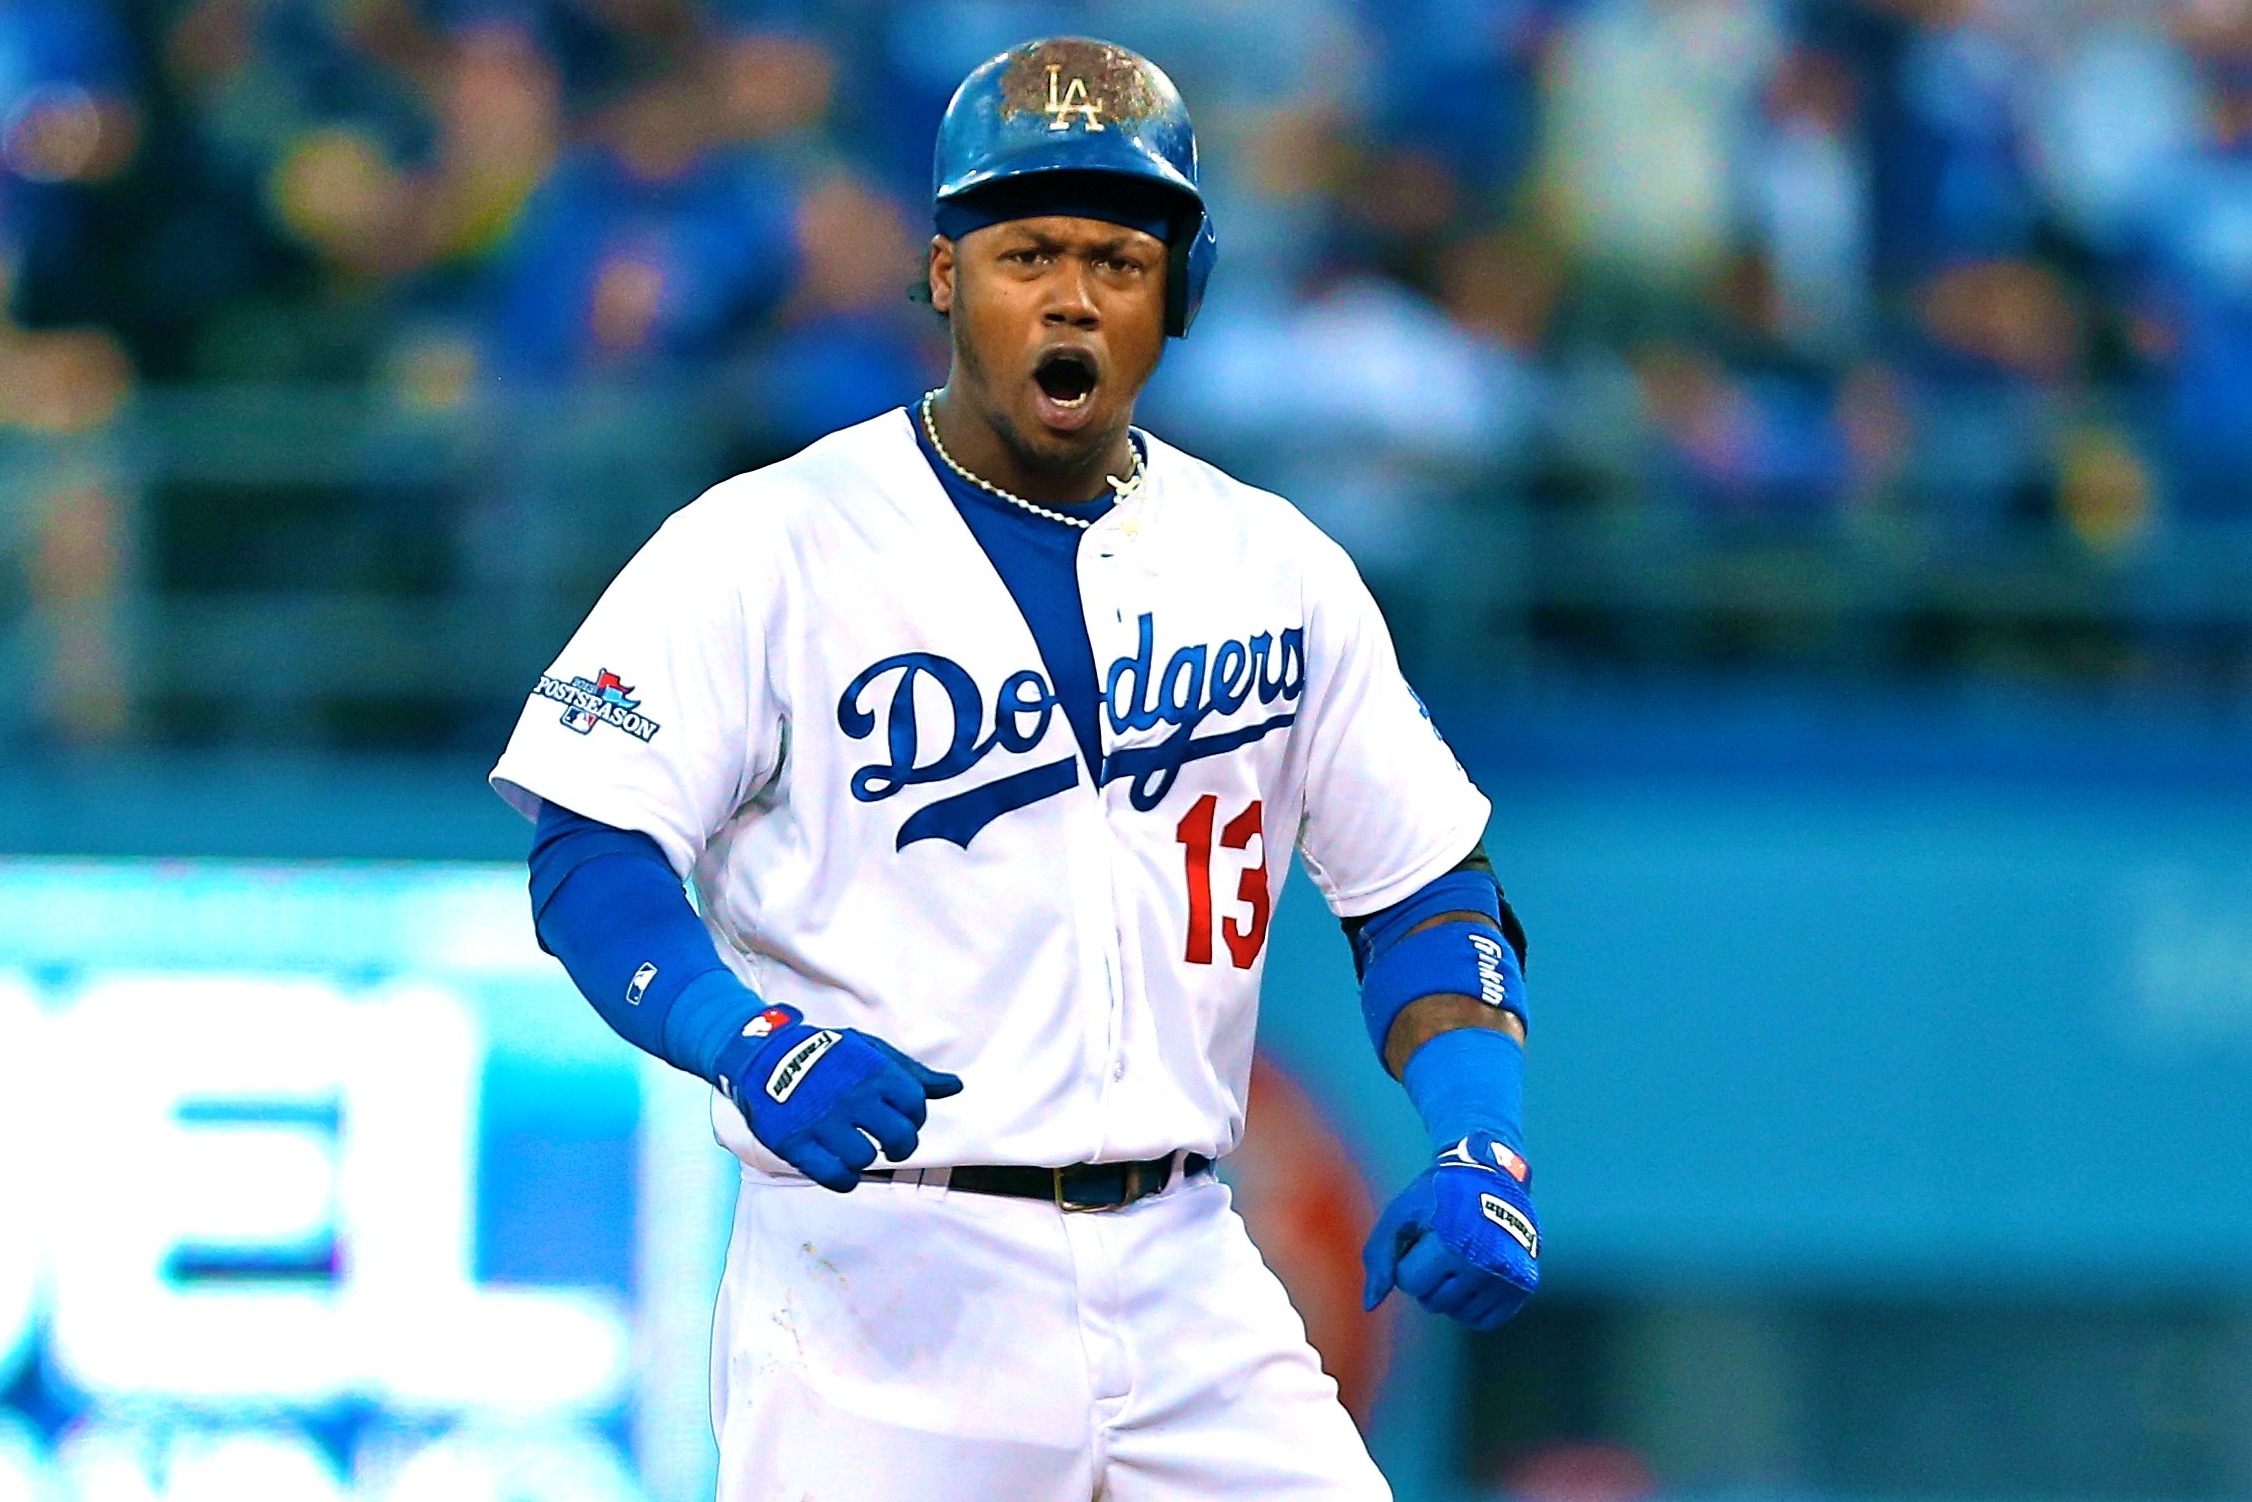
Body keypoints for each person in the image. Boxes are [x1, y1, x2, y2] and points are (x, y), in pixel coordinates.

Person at [489, 36, 1537, 1500]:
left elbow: (1423, 885)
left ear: (1180, 293)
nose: (1068, 294)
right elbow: (591, 850)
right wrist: (739, 1032)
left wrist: (1482, 1138)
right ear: (940, 274)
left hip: (1185, 1263)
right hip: (875, 1276)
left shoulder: (1274, 563)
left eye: (1118, 256)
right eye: (1024, 248)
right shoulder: (768, 540)